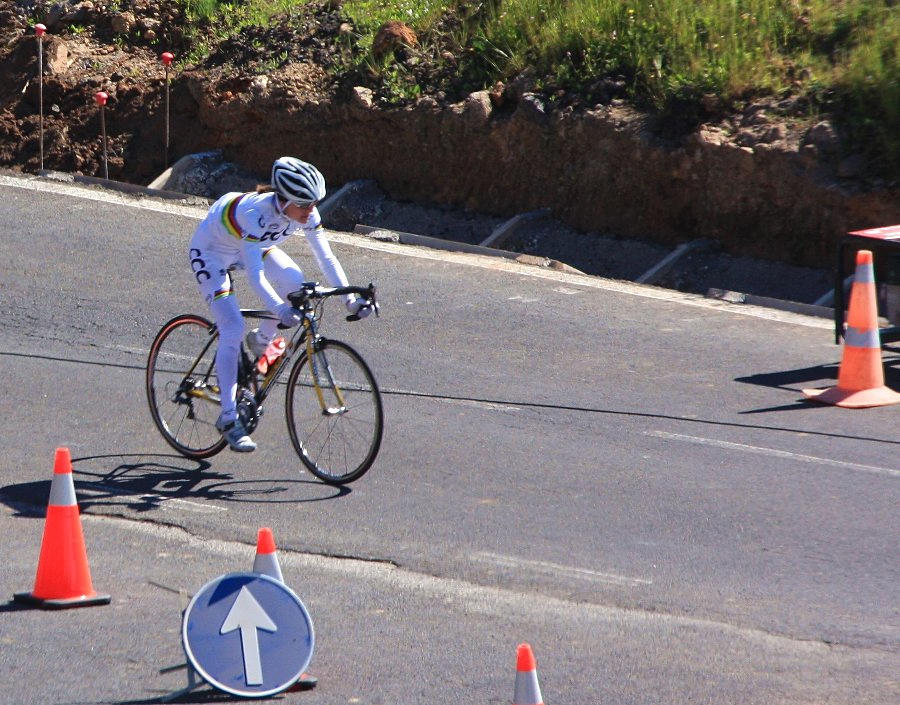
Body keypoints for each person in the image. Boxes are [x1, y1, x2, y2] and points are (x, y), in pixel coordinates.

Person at [188, 156, 374, 452]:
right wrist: (280, 310)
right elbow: (256, 276)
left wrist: (351, 300)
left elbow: (326, 258)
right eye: (303, 204)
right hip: (213, 254)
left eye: (313, 203)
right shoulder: (255, 214)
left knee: (295, 283)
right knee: (232, 327)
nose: (310, 211)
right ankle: (228, 417)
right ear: (283, 199)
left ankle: (262, 341)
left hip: (254, 247)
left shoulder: (304, 212)